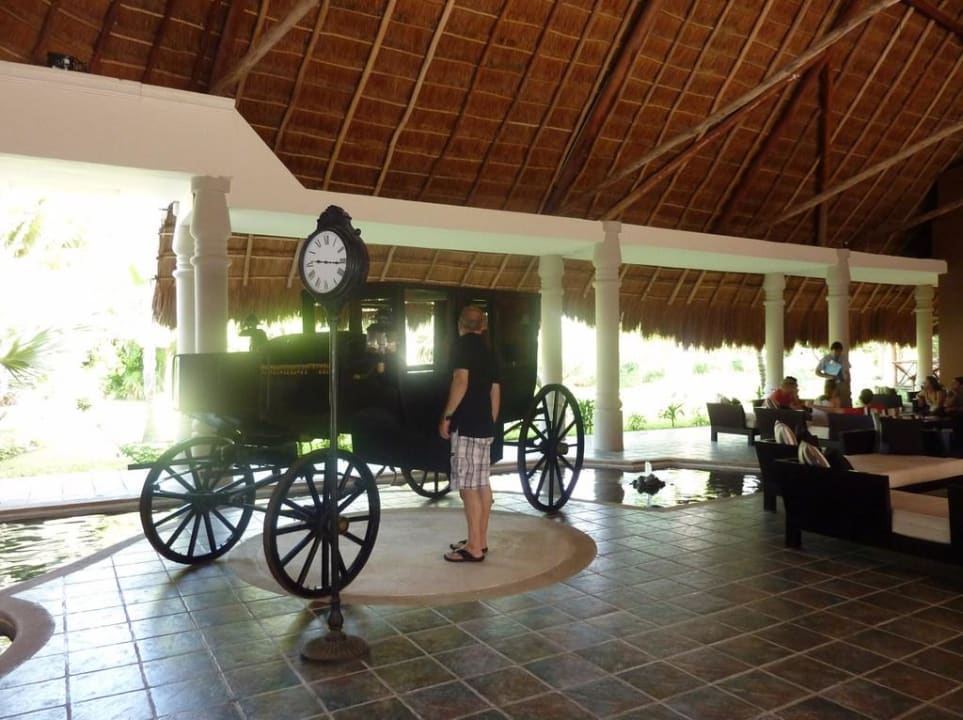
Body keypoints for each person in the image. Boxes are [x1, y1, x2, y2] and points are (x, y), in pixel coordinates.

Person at [438, 305, 501, 563]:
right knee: (482, 483)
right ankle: (480, 541)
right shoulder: (491, 351)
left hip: (468, 425)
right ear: (483, 325)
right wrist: (492, 422)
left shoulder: (462, 346)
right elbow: (495, 392)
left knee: (468, 487)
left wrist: (448, 415)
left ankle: (473, 547)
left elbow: (461, 381)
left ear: (460, 325)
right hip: (485, 424)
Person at [815, 341, 851, 407]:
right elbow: (817, 372)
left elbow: (847, 372)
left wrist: (848, 384)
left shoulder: (844, 358)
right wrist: (828, 376)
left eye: (838, 352)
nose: (836, 353)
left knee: (844, 402)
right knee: (831, 402)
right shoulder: (826, 359)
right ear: (831, 350)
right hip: (830, 384)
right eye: (835, 352)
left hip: (842, 383)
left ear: (841, 351)